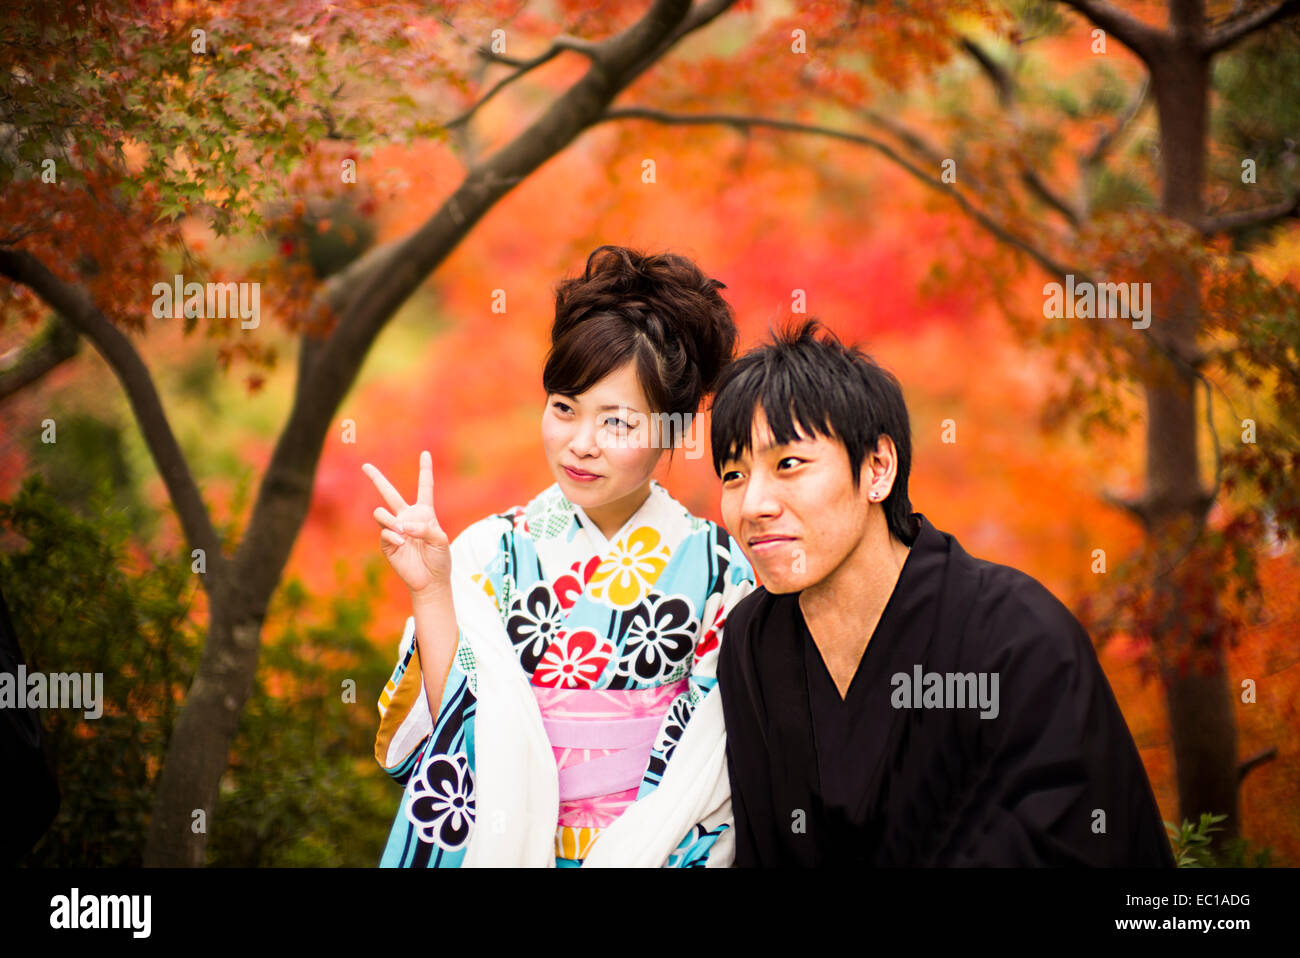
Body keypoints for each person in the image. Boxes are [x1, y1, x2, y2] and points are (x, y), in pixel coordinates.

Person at [710, 317, 1175, 867]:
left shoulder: (1016, 635)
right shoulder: (753, 642)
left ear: (877, 469)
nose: (753, 505)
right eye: (733, 475)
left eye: (788, 464)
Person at [366, 245, 756, 867]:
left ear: (676, 430)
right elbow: (453, 738)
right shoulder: (487, 552)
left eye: (617, 423)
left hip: (659, 850)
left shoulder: (718, 568)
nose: (580, 444)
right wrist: (431, 590)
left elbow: (713, 764)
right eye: (565, 409)